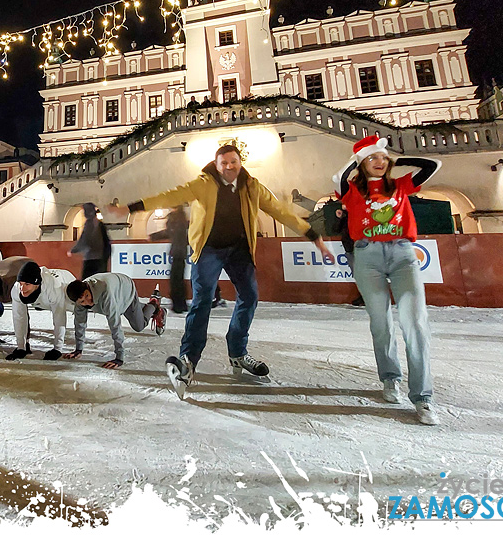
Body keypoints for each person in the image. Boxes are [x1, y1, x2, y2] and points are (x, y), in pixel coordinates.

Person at [105, 144, 332, 399]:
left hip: (239, 250)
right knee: (202, 300)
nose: (229, 167)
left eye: (233, 162)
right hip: (209, 249)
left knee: (249, 296)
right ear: (217, 164)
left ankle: (237, 352)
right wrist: (132, 208)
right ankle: (188, 361)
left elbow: (280, 212)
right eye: (223, 163)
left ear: (240, 162)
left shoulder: (252, 187)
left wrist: (314, 236)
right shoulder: (203, 184)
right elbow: (170, 196)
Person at [335, 136, 441, 425]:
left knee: (415, 322)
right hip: (367, 256)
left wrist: (394, 158)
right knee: (381, 323)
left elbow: (432, 164)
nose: (379, 162)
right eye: (373, 158)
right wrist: (361, 157)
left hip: (402, 254)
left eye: (383, 158)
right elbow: (341, 175)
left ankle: (422, 397)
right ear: (361, 162)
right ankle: (390, 378)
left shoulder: (400, 186)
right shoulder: (351, 190)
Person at [63, 273, 164, 369]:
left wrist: (119, 358)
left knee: (139, 325)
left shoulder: (106, 294)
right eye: (82, 301)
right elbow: (80, 323)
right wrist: (78, 349)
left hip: (125, 288)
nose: (88, 302)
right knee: (125, 310)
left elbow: (115, 324)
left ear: (88, 288)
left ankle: (154, 304)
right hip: (114, 288)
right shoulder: (80, 301)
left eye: (87, 296)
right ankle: (139, 308)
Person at [5, 260, 76, 361]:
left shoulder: (54, 286)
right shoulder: (16, 289)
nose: (22, 288)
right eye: (20, 283)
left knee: (76, 308)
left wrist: (57, 349)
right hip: (42, 299)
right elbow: (19, 317)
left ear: (36, 284)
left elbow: (59, 316)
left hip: (66, 288)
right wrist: (21, 347)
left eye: (27, 284)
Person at [149, 207, 189, 314]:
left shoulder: (177, 221)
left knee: (175, 279)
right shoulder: (181, 220)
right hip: (179, 252)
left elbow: (171, 233)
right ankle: (180, 304)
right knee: (177, 279)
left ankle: (178, 305)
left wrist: (154, 236)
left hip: (178, 252)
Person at [67, 203, 111, 278]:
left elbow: (84, 240)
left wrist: (73, 250)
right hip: (101, 260)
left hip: (91, 258)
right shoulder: (100, 224)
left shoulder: (89, 224)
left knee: (87, 281)